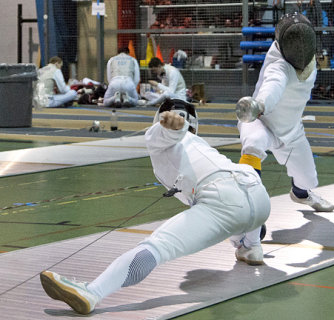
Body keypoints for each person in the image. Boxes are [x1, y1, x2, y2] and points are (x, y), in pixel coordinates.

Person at [40, 98, 271, 315]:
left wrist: (173, 126)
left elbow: (166, 134)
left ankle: (92, 292)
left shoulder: (157, 137)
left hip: (223, 200)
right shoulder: (200, 144)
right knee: (241, 195)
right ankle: (252, 247)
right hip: (259, 197)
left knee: (157, 247)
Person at [237, 12, 334, 212]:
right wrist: (260, 105)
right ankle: (248, 207)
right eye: (295, 41)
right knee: (253, 143)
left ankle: (301, 194)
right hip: (261, 122)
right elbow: (272, 87)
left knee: (308, 179)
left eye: (304, 40)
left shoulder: (311, 61)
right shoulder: (278, 65)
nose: (300, 47)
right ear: (282, 43)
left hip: (291, 130)